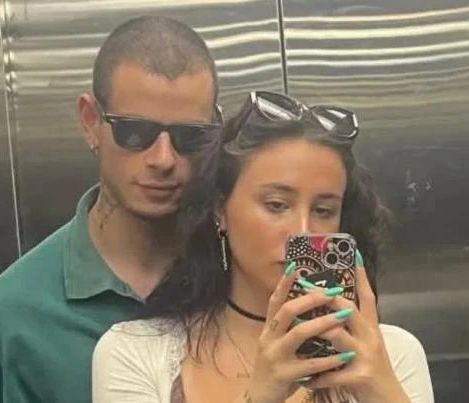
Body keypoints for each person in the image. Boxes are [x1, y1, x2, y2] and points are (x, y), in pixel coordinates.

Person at [92, 91, 434, 402]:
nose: (302, 232)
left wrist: (381, 392)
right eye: (276, 205)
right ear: (220, 210)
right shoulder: (136, 352)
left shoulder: (393, 354)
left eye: (323, 210)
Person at [0, 16, 220, 403]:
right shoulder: (6, 319)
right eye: (134, 132)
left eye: (190, 136)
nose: (163, 159)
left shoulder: (242, 278)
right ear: (90, 122)